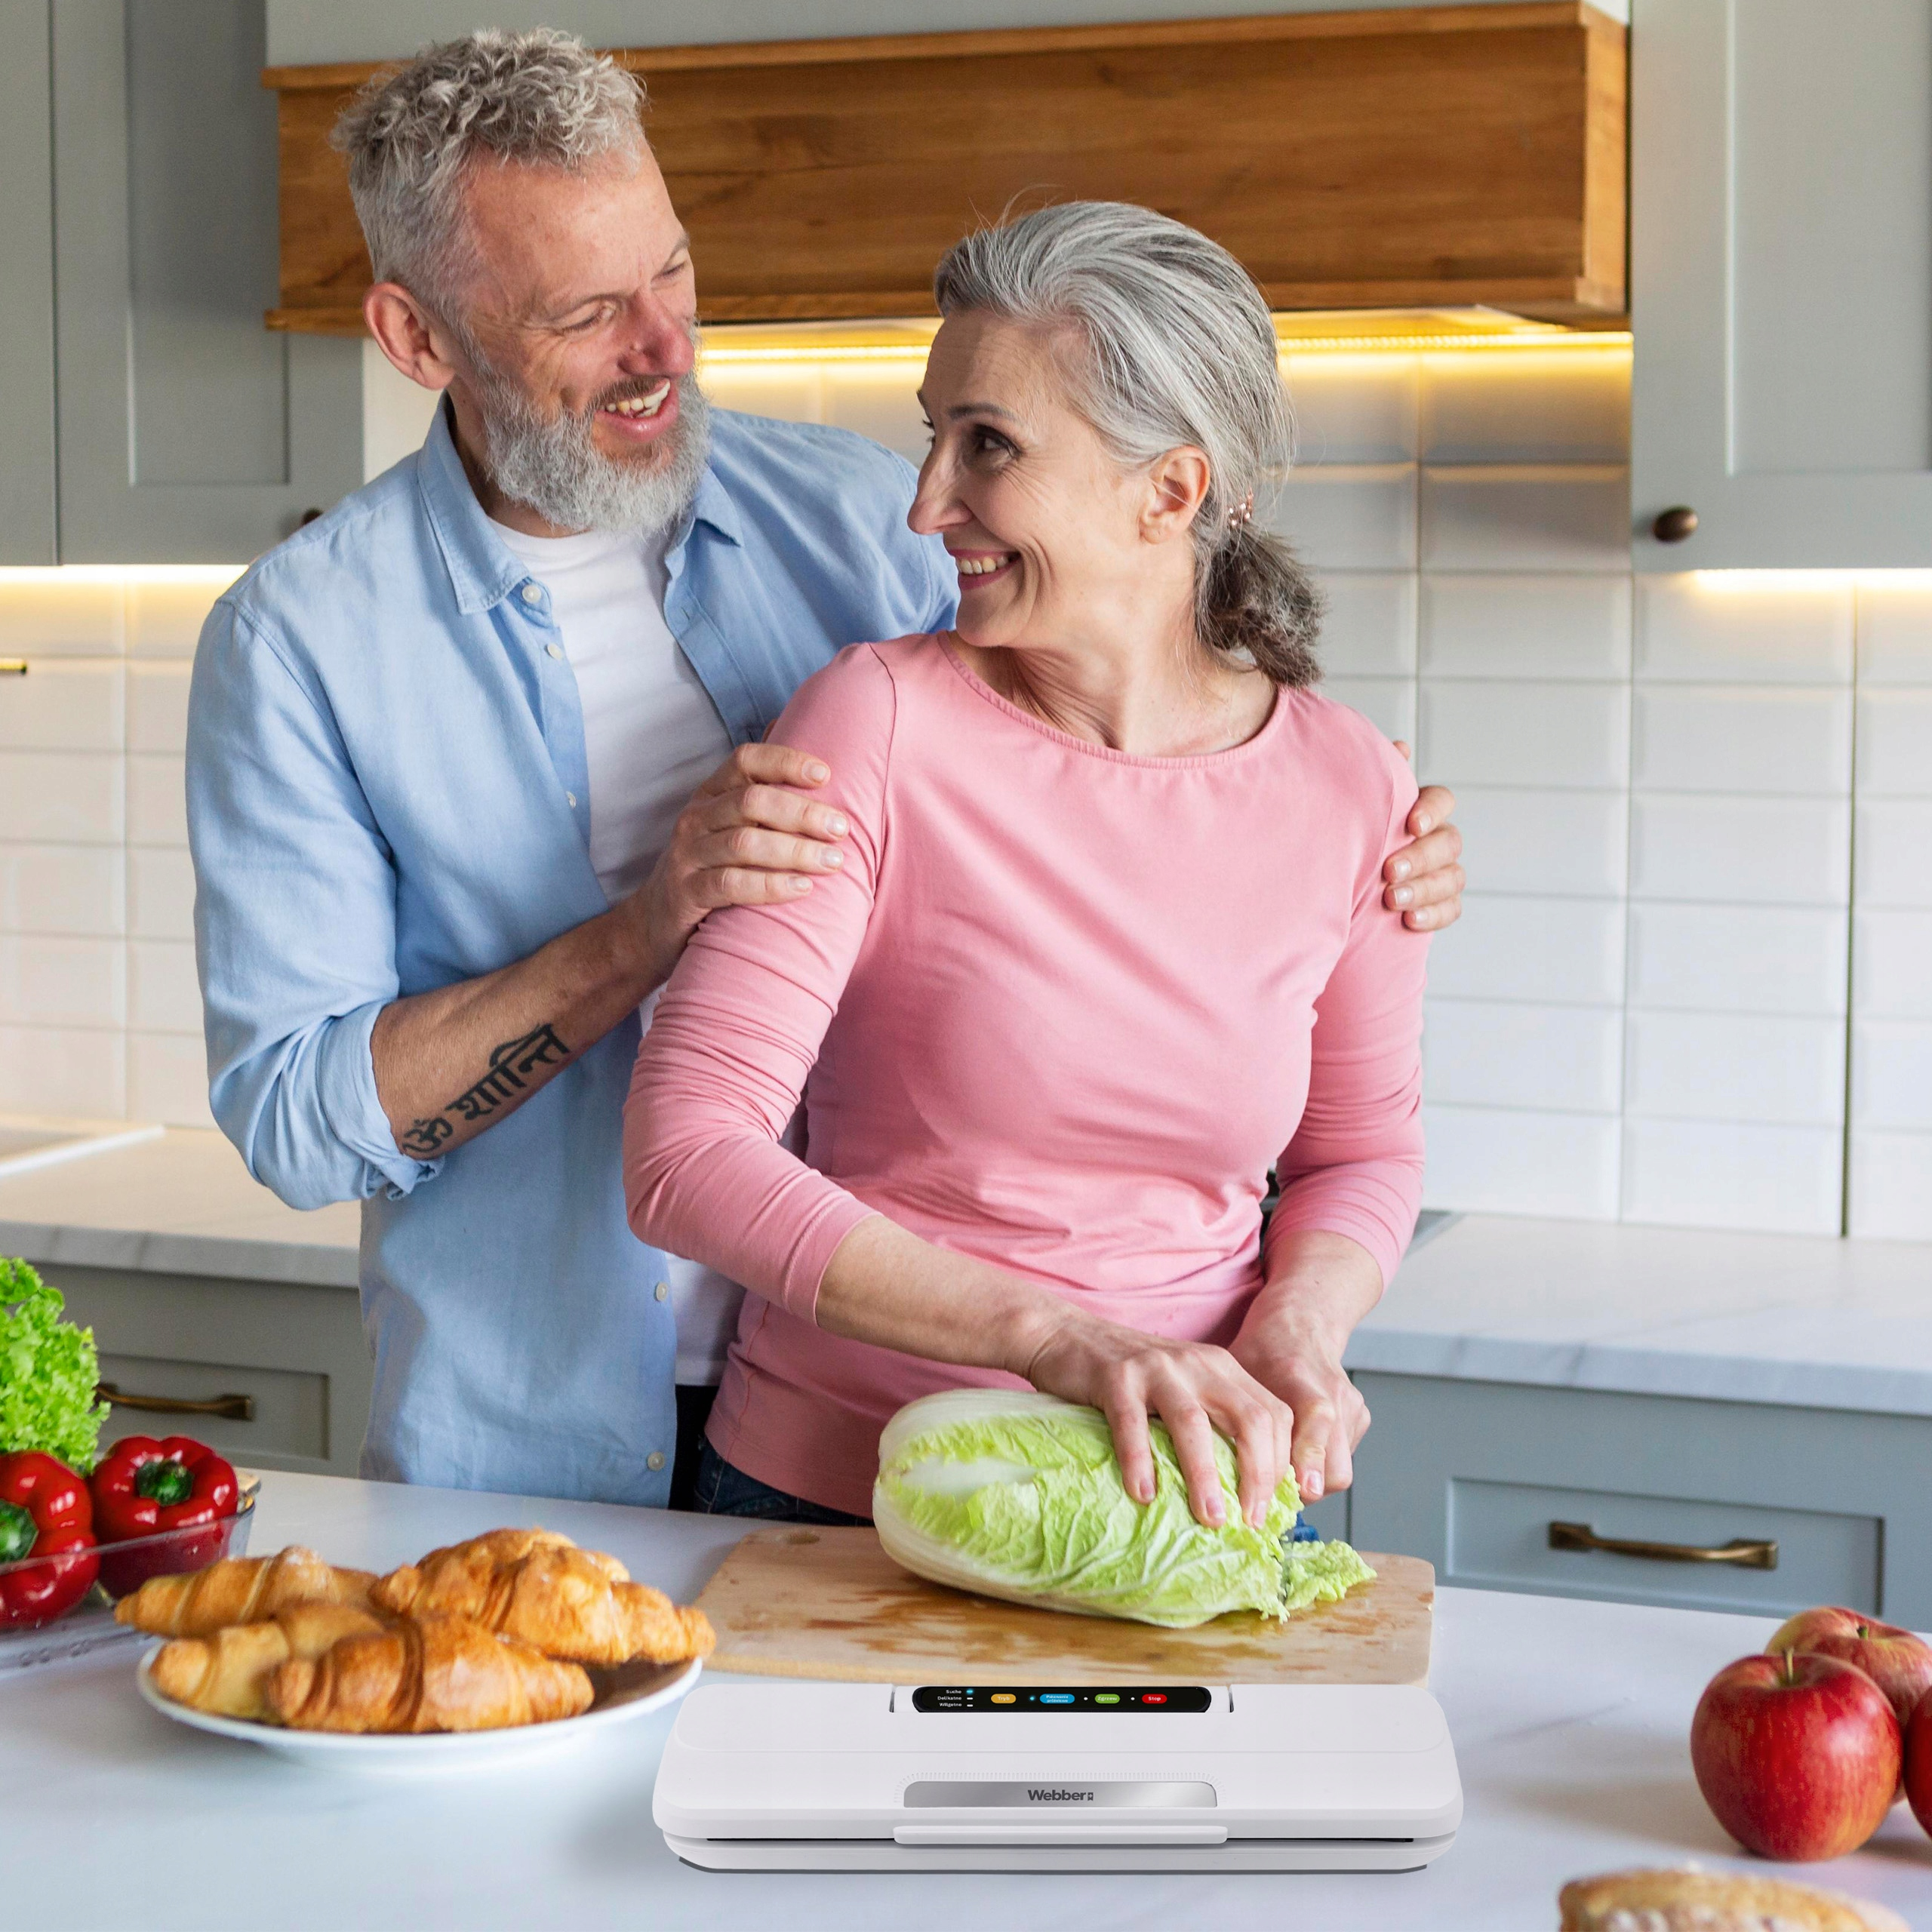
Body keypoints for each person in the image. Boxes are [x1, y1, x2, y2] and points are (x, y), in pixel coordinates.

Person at [186, 32, 1464, 1509]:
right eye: (589, 311)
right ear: (417, 338)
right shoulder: (303, 642)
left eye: (670, 274)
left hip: (921, 1406)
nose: (664, 346)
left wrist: (1358, 832)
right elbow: (294, 1118)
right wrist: (641, 924)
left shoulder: (866, 522)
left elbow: (1097, 715)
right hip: (540, 1426)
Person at [625, 203, 1435, 1531]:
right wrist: (1061, 1342)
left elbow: (1361, 1156)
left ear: (1168, 491)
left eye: (987, 446)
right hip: (847, 1501)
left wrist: (1298, 1326)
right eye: (933, 434)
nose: (927, 502)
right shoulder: (875, 722)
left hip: (1188, 1502)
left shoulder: (1351, 783)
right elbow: (687, 1153)